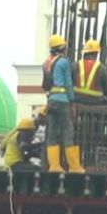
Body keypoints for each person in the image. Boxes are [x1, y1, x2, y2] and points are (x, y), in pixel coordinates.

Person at [42, 34, 83, 173]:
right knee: (68, 131)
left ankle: (54, 166)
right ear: (62, 47)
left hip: (51, 100)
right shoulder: (64, 62)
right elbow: (68, 83)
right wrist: (72, 102)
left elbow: (45, 85)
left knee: (52, 133)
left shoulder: (47, 62)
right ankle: (74, 166)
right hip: (62, 100)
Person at [73, 39, 107, 105]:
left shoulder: (76, 65)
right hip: (96, 100)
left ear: (84, 53)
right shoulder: (101, 68)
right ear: (96, 53)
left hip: (77, 98)